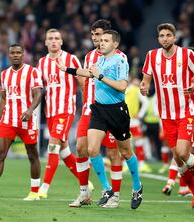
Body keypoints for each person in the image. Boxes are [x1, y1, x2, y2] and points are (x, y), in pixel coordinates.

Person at [59, 30, 143, 209]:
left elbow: (122, 86)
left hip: (117, 111)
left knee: (126, 152)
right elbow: (89, 73)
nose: (101, 43)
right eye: (101, 40)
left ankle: (137, 187)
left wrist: (101, 76)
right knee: (91, 149)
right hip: (98, 109)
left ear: (115, 44)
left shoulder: (121, 60)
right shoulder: (100, 60)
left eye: (106, 40)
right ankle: (107, 189)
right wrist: (66, 69)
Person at [140, 23, 194, 208]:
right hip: (166, 114)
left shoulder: (187, 54)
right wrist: (144, 87)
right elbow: (146, 80)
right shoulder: (152, 56)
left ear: (175, 37)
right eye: (162, 35)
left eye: (168, 35)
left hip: (186, 111)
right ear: (158, 38)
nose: (165, 38)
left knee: (182, 152)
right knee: (178, 159)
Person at [69, 19, 125, 208]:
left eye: (99, 34)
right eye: (93, 35)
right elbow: (86, 83)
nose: (95, 38)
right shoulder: (89, 56)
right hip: (90, 110)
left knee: (113, 153)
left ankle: (114, 196)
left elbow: (120, 85)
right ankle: (85, 193)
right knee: (81, 148)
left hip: (110, 110)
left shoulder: (118, 57)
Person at [0, 44, 43, 201]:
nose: (16, 55)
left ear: (23, 54)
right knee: (0, 153)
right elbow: (4, 98)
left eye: (18, 52)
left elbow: (38, 94)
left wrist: (29, 111)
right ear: (9, 55)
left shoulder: (32, 71)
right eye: (12, 53)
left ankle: (34, 192)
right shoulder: (5, 74)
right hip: (8, 120)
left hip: (27, 121)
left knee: (32, 155)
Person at [36, 29, 84, 199]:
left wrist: (88, 105)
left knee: (53, 144)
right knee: (63, 151)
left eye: (57, 38)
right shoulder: (41, 63)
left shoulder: (71, 59)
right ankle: (85, 182)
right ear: (46, 43)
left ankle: (44, 188)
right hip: (50, 112)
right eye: (50, 38)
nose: (54, 41)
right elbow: (38, 88)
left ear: (62, 42)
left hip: (66, 110)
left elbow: (83, 82)